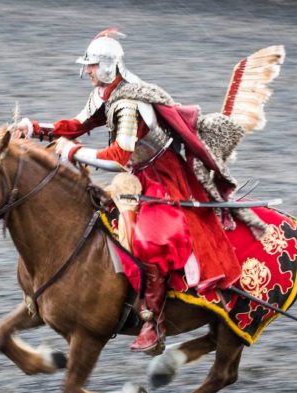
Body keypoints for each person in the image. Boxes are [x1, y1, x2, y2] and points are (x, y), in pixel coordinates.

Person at [17, 29, 243, 355]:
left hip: (162, 178)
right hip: (136, 176)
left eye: (93, 65)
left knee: (149, 238)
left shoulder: (128, 104)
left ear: (109, 66)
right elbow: (77, 125)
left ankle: (153, 321)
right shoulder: (106, 93)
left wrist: (71, 153)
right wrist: (35, 128)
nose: (89, 71)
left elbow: (117, 158)